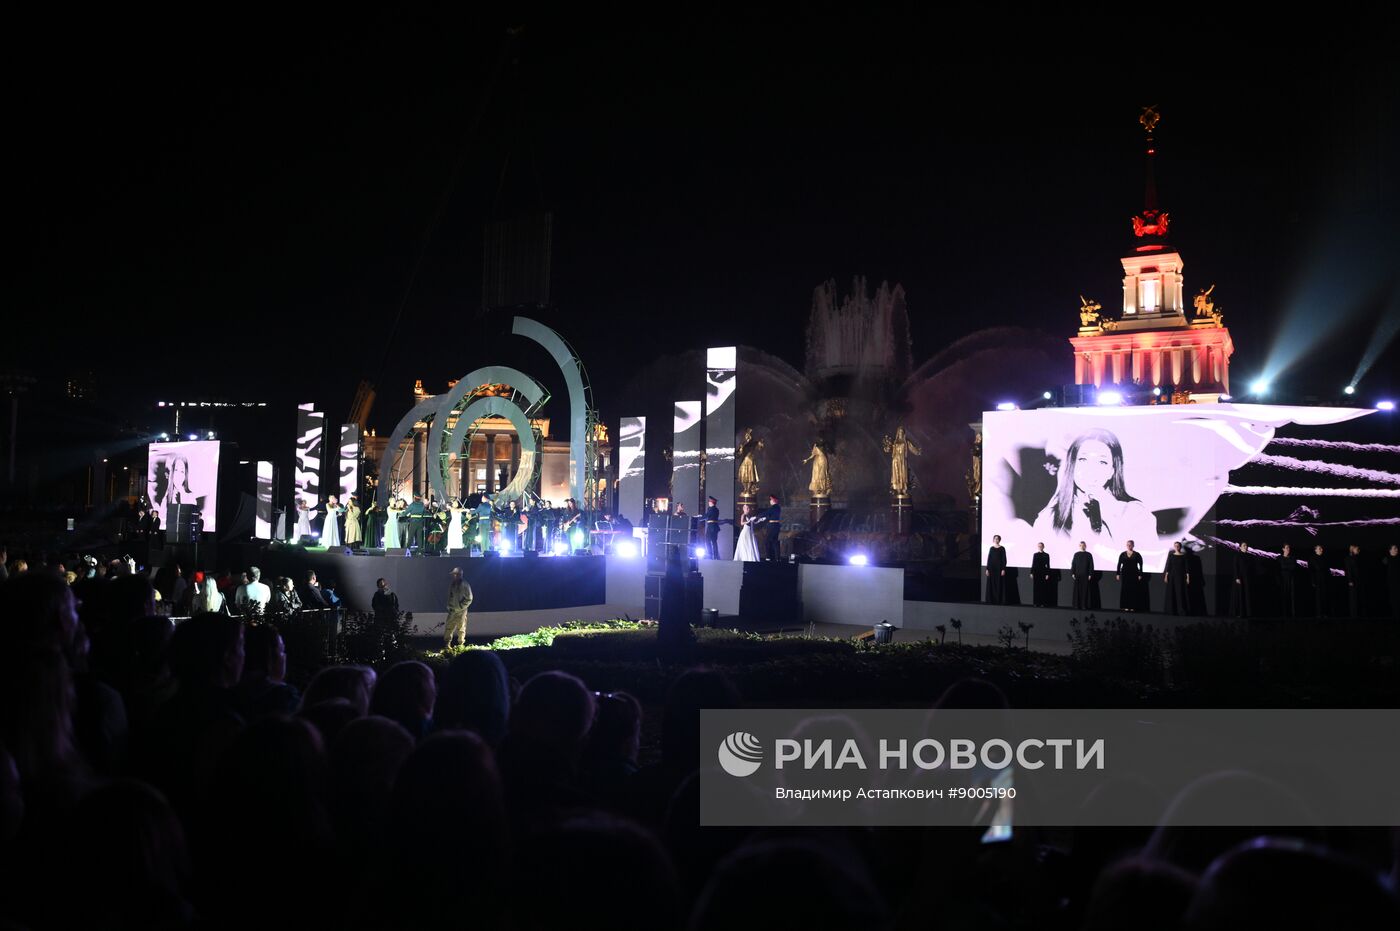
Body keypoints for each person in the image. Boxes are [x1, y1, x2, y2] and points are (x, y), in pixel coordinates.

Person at [1032, 428, 1157, 555]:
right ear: (1071, 465)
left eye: (1102, 462)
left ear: (1111, 472)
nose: (1091, 470)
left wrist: (1108, 512)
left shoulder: (1136, 514)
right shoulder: (1049, 517)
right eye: (1083, 459)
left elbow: (1146, 559)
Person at [443, 567, 473, 651]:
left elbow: (469, 598)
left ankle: (461, 644)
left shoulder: (465, 585)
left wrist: (460, 607)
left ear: (459, 575)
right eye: (453, 575)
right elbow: (450, 596)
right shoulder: (453, 584)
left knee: (461, 627)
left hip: (461, 611)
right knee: (449, 627)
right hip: (452, 610)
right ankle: (447, 644)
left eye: (455, 574)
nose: (454, 576)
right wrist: (449, 606)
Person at [1117, 540, 1145, 612]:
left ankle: (1132, 606)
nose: (1129, 546)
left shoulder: (1137, 554)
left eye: (1130, 545)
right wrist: (1118, 574)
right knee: (1125, 589)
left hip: (1134, 574)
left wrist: (1140, 574)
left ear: (1133, 545)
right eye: (1128, 545)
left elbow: (1141, 565)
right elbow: (1119, 564)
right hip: (1125, 574)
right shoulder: (1122, 554)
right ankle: (1125, 606)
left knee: (1133, 590)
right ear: (1126, 545)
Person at [1163, 541, 1190, 615]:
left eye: (1178, 546)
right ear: (1174, 547)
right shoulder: (1171, 555)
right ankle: (1171, 610)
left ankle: (1181, 610)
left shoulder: (1184, 556)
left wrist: (1187, 577)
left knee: (1180, 592)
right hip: (1172, 576)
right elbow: (1169, 566)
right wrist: (1166, 576)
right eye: (1175, 546)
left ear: (1180, 547)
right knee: (1172, 592)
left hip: (1181, 576)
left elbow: (1186, 567)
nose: (1176, 547)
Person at [1229, 543, 1255, 618]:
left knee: (1247, 594)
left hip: (1247, 578)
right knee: (1240, 594)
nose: (1245, 547)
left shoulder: (1250, 556)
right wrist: (1237, 577)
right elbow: (1235, 567)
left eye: (1246, 545)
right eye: (1244, 546)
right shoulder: (1237, 556)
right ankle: (1240, 612)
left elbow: (1252, 568)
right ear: (1240, 547)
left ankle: (1248, 612)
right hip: (1240, 578)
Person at [1070, 540, 1098, 610]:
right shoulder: (1076, 554)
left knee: (1085, 591)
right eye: (1080, 545)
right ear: (1079, 546)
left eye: (1083, 545)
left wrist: (1090, 574)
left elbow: (1091, 565)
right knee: (1077, 590)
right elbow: (1073, 564)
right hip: (1077, 575)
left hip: (1085, 575)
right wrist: (1072, 573)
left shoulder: (1089, 554)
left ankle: (1084, 605)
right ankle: (1076, 605)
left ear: (1085, 546)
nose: (1082, 546)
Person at [1277, 543, 1300, 617]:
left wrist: (1285, 567)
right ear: (1283, 549)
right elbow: (1280, 567)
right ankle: (1284, 613)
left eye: (1289, 548)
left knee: (1292, 596)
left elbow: (1294, 567)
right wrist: (1287, 567)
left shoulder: (1293, 558)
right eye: (1286, 548)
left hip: (1291, 579)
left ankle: (1292, 613)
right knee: (1284, 595)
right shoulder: (1279, 558)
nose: (1288, 549)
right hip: (1283, 579)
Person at [757, 494, 782, 561]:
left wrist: (757, 516)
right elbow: (770, 515)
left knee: (767, 541)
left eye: (770, 500)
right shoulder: (777, 508)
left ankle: (768, 557)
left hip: (772, 526)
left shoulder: (773, 507)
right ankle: (777, 558)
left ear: (773, 500)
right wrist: (763, 519)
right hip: (776, 525)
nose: (770, 501)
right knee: (775, 542)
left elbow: (766, 513)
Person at [1309, 543, 1331, 618]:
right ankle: (1318, 614)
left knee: (1324, 596)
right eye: (1319, 548)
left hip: (1324, 579)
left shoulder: (1325, 558)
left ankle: (1325, 613)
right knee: (1318, 597)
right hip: (1317, 580)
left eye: (1321, 548)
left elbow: (1328, 570)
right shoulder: (1312, 558)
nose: (1321, 550)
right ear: (1315, 550)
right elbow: (1311, 571)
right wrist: (1313, 581)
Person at [985, 534, 1007, 604]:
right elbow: (989, 559)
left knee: (999, 583)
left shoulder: (1002, 548)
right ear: (993, 540)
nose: (996, 540)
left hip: (999, 568)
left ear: (999, 540)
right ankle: (991, 599)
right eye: (995, 539)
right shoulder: (991, 548)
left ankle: (998, 599)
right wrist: (987, 569)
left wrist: (1003, 569)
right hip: (992, 568)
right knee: (991, 583)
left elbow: (1004, 559)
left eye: (997, 539)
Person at [1031, 542, 1054, 607]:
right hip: (1036, 573)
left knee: (1043, 589)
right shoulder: (1035, 554)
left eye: (1041, 546)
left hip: (1043, 573)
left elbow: (1048, 565)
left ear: (1043, 547)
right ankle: (1036, 602)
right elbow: (1033, 564)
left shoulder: (1046, 555)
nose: (1040, 547)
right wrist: (1031, 572)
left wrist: (1047, 574)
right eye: (1039, 546)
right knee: (1036, 588)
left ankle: (1043, 603)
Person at [1344, 544, 1365, 618]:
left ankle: (1360, 614)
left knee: (1360, 597)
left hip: (1359, 580)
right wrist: (1350, 580)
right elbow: (1348, 570)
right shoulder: (1348, 558)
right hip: (1353, 581)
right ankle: (1354, 615)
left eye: (1358, 549)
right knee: (1354, 598)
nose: (1358, 550)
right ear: (1352, 549)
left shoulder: (1359, 558)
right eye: (1357, 549)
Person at [1384, 543, 1400, 623]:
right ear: (1390, 550)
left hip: (1398, 583)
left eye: (1396, 548)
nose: (1396, 549)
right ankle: (1394, 616)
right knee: (1393, 599)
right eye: (1394, 548)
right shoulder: (1386, 560)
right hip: (1390, 583)